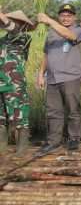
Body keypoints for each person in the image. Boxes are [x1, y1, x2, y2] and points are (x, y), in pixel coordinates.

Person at [36, 3, 81, 154]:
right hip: (52, 78)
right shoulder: (51, 33)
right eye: (63, 15)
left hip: (71, 77)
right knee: (53, 111)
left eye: (69, 15)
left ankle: (74, 139)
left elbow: (69, 35)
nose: (65, 18)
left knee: (73, 110)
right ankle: (53, 141)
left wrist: (49, 21)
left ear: (74, 17)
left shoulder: (79, 29)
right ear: (59, 16)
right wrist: (40, 74)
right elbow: (46, 54)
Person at [0, 10, 34, 156]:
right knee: (1, 118)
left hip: (15, 84)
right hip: (0, 83)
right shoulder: (2, 41)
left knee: (19, 116)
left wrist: (1, 15)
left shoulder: (23, 37)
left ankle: (22, 148)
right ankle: (2, 148)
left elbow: (13, 29)